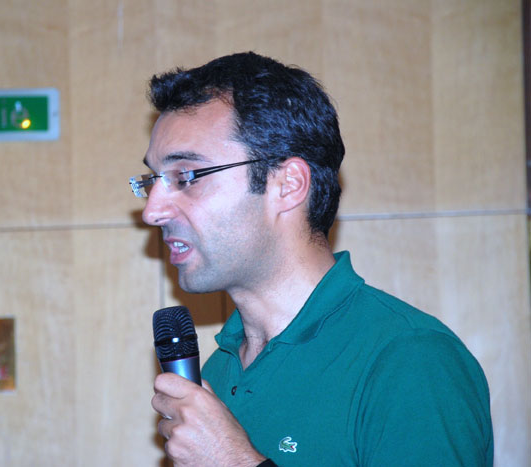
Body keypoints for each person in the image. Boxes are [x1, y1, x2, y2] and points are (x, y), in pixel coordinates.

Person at [129, 52, 493, 466]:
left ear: (288, 184)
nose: (152, 211)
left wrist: (235, 461)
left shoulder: (410, 360)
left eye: (185, 177)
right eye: (151, 181)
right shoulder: (216, 375)